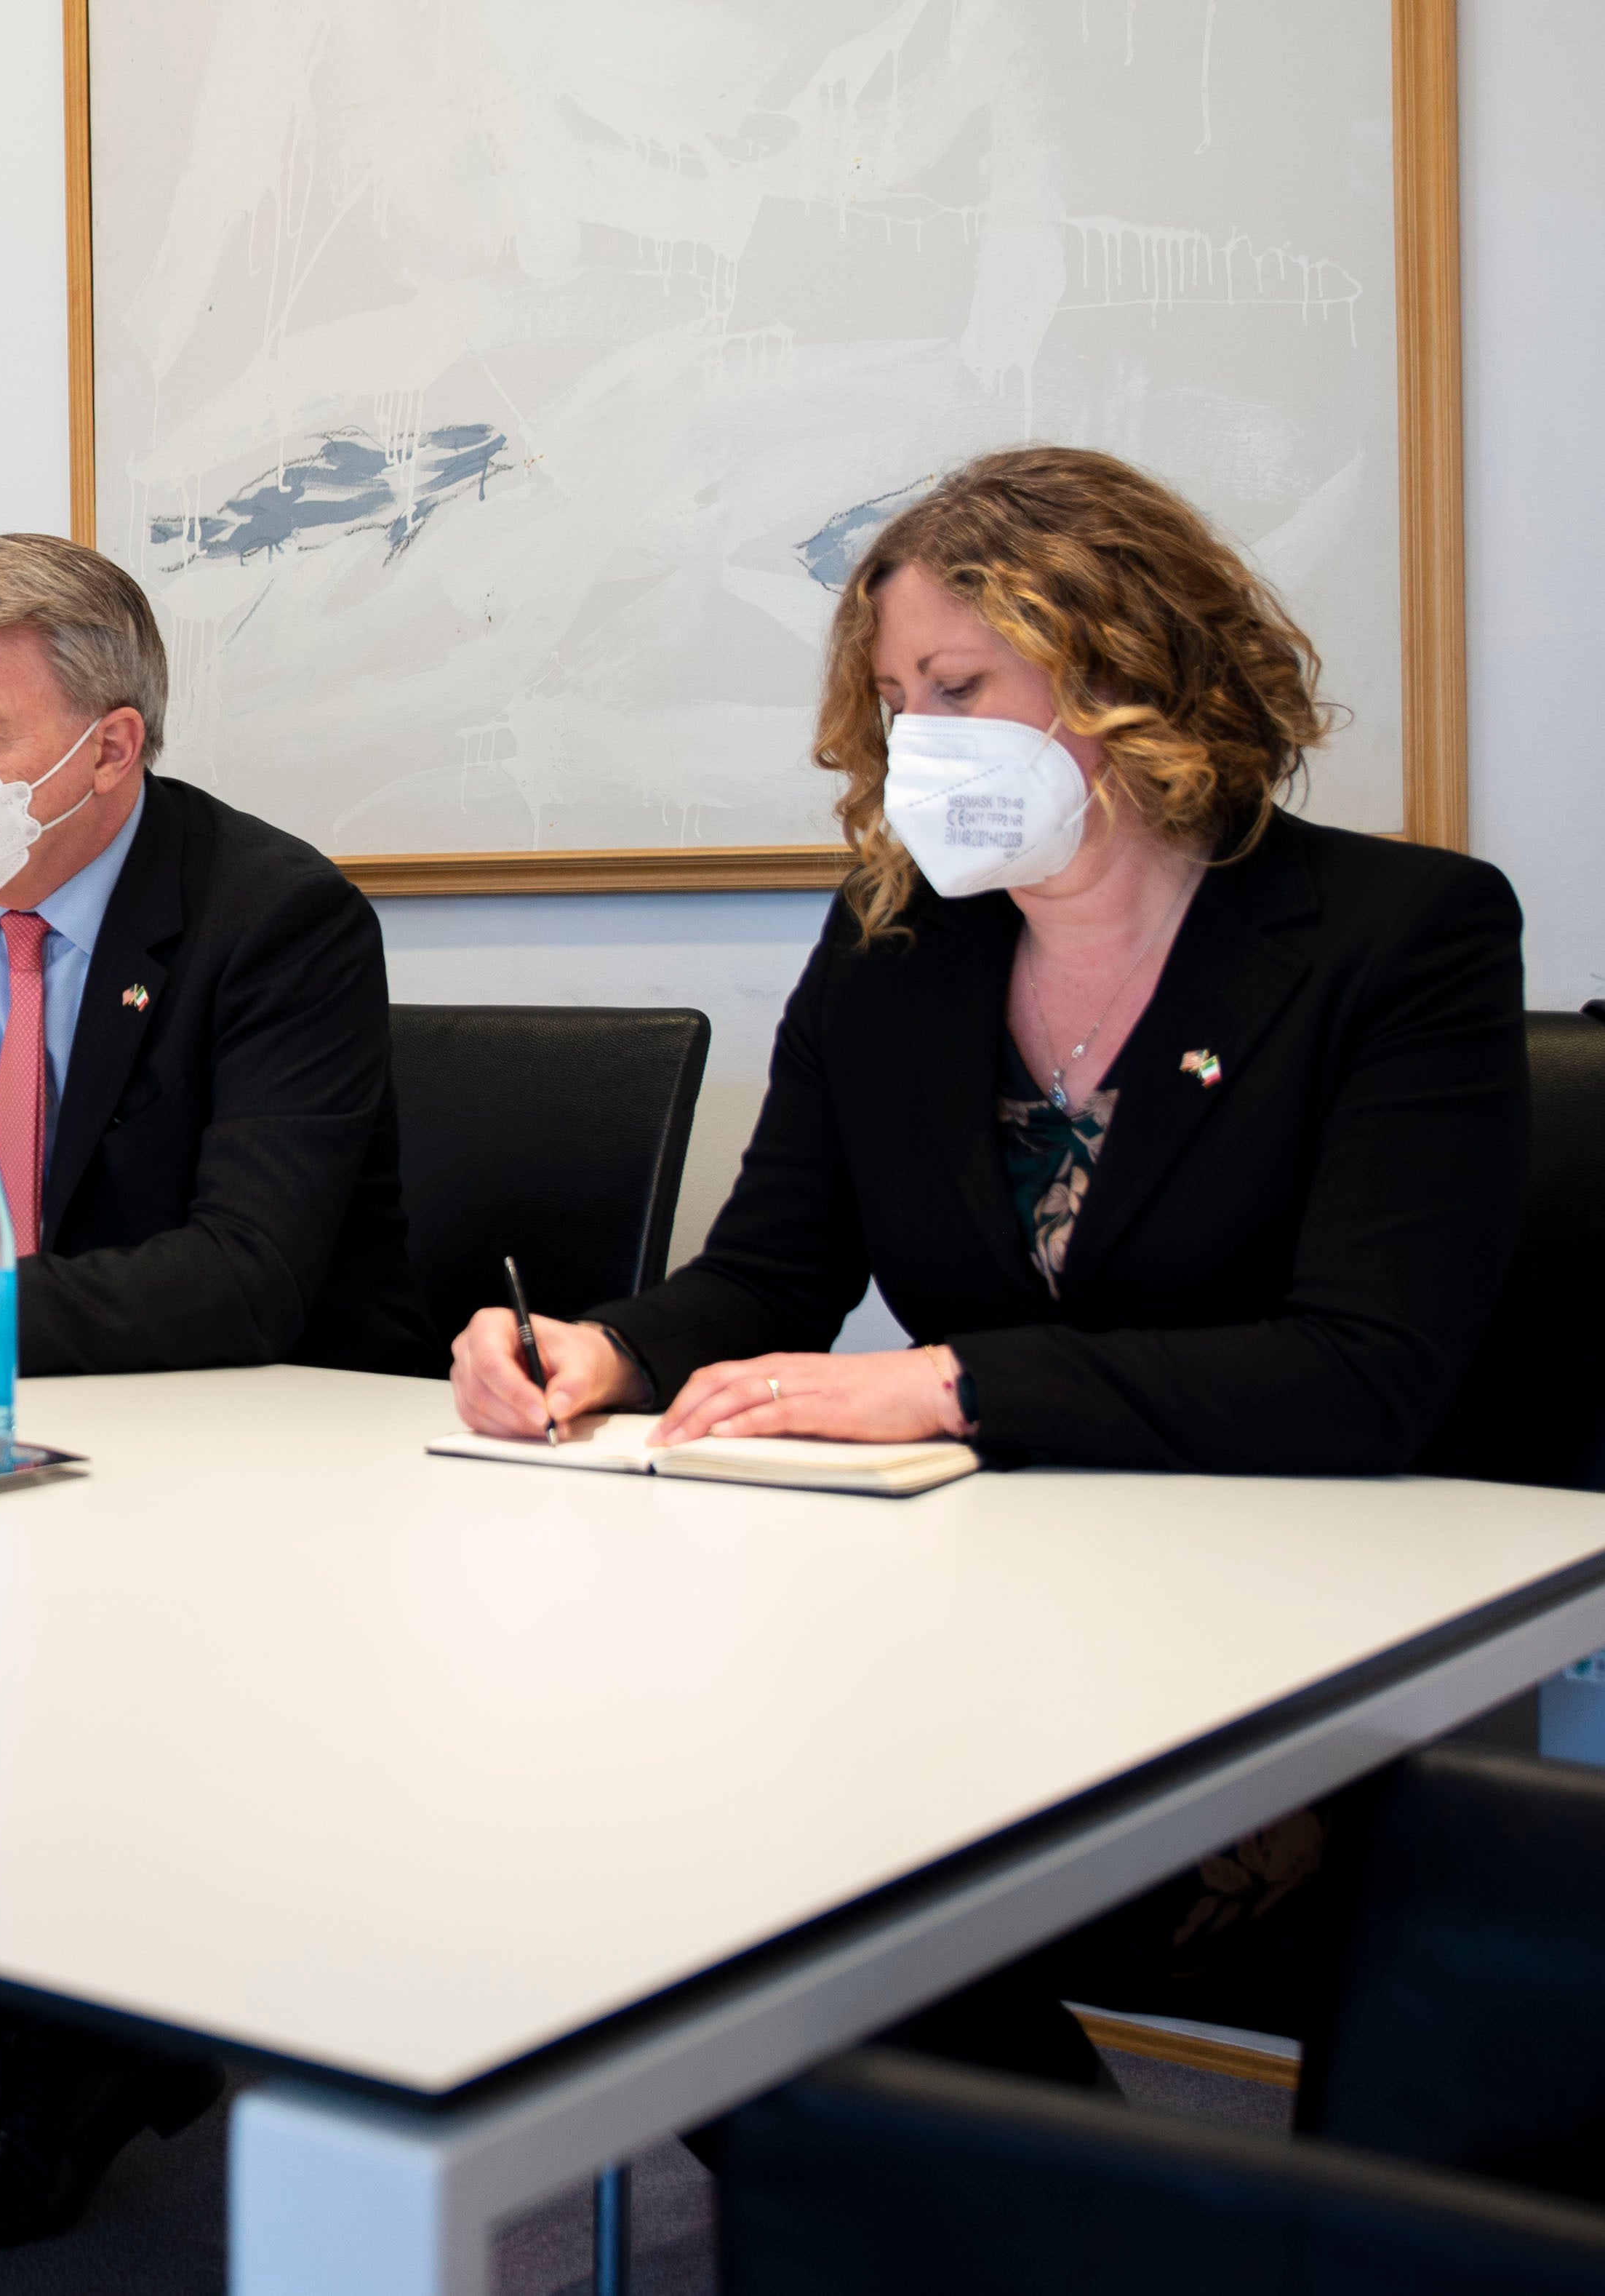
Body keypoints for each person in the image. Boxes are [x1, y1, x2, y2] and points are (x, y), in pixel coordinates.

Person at [449, 444, 1526, 2083]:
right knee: (623, 1826)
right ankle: (1007, 2210)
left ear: (1125, 669)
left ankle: (1014, 2209)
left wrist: (943, 1382)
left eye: (956, 686)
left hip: (1268, 1632)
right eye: (893, 702)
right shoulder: (894, 946)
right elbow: (766, 1275)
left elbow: (1363, 1374)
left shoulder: (1400, 936)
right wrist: (605, 1351)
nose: (912, 746)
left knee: (773, 1890)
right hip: (966, 1621)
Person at [0, 532, 430, 2252]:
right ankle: (60, 2031)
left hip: (263, 1448)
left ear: (110, 748)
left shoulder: (272, 915)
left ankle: (80, 2051)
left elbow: (244, 1283)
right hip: (0, 1434)